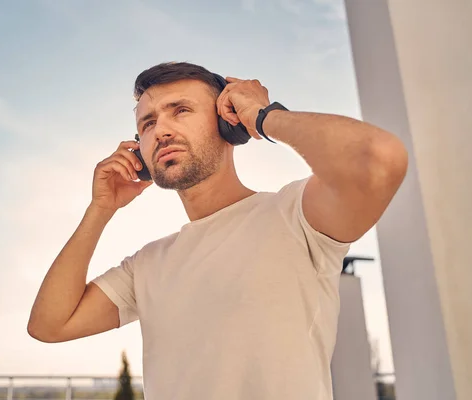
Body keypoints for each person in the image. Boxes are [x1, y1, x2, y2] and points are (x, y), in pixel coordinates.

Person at [27, 62, 408, 399]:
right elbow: (49, 324)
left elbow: (376, 159)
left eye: (181, 110)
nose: (161, 130)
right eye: (148, 122)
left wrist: (263, 115)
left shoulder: (295, 215)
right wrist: (100, 209)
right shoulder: (146, 264)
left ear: (229, 124)